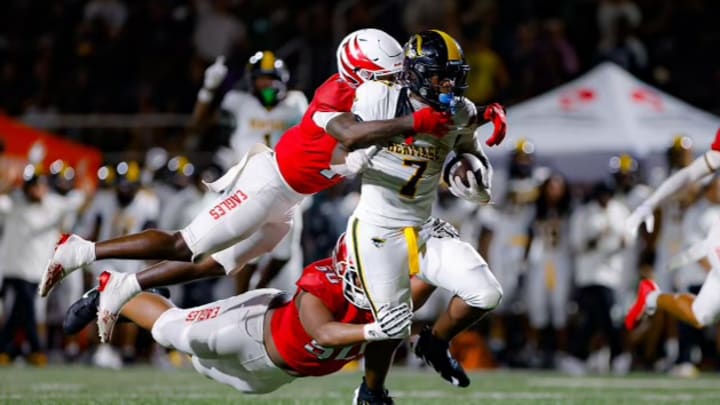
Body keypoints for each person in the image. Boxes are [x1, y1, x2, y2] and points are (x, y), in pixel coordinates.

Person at [40, 28, 506, 344]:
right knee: (187, 245)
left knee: (219, 265)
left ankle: (122, 286)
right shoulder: (333, 97)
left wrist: (477, 117)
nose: (397, 79)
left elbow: (414, 137)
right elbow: (355, 138)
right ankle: (82, 251)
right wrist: (416, 121)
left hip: (292, 200)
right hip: (269, 183)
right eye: (386, 74)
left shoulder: (379, 94)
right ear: (361, 74)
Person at [333, 29, 505, 392]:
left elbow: (477, 174)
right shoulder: (380, 95)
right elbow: (350, 156)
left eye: (454, 76)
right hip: (378, 228)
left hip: (423, 227)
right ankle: (372, 393)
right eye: (440, 75)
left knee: (485, 293)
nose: (448, 84)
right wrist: (413, 125)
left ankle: (434, 343)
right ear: (414, 73)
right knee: (392, 324)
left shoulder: (460, 110)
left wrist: (467, 169)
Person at [625, 129, 720, 331]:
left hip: (694, 239)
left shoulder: (703, 181)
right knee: (694, 308)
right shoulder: (663, 177)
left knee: (699, 311)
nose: (679, 156)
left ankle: (652, 300)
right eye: (676, 152)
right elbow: (689, 176)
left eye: (682, 152)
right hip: (675, 241)